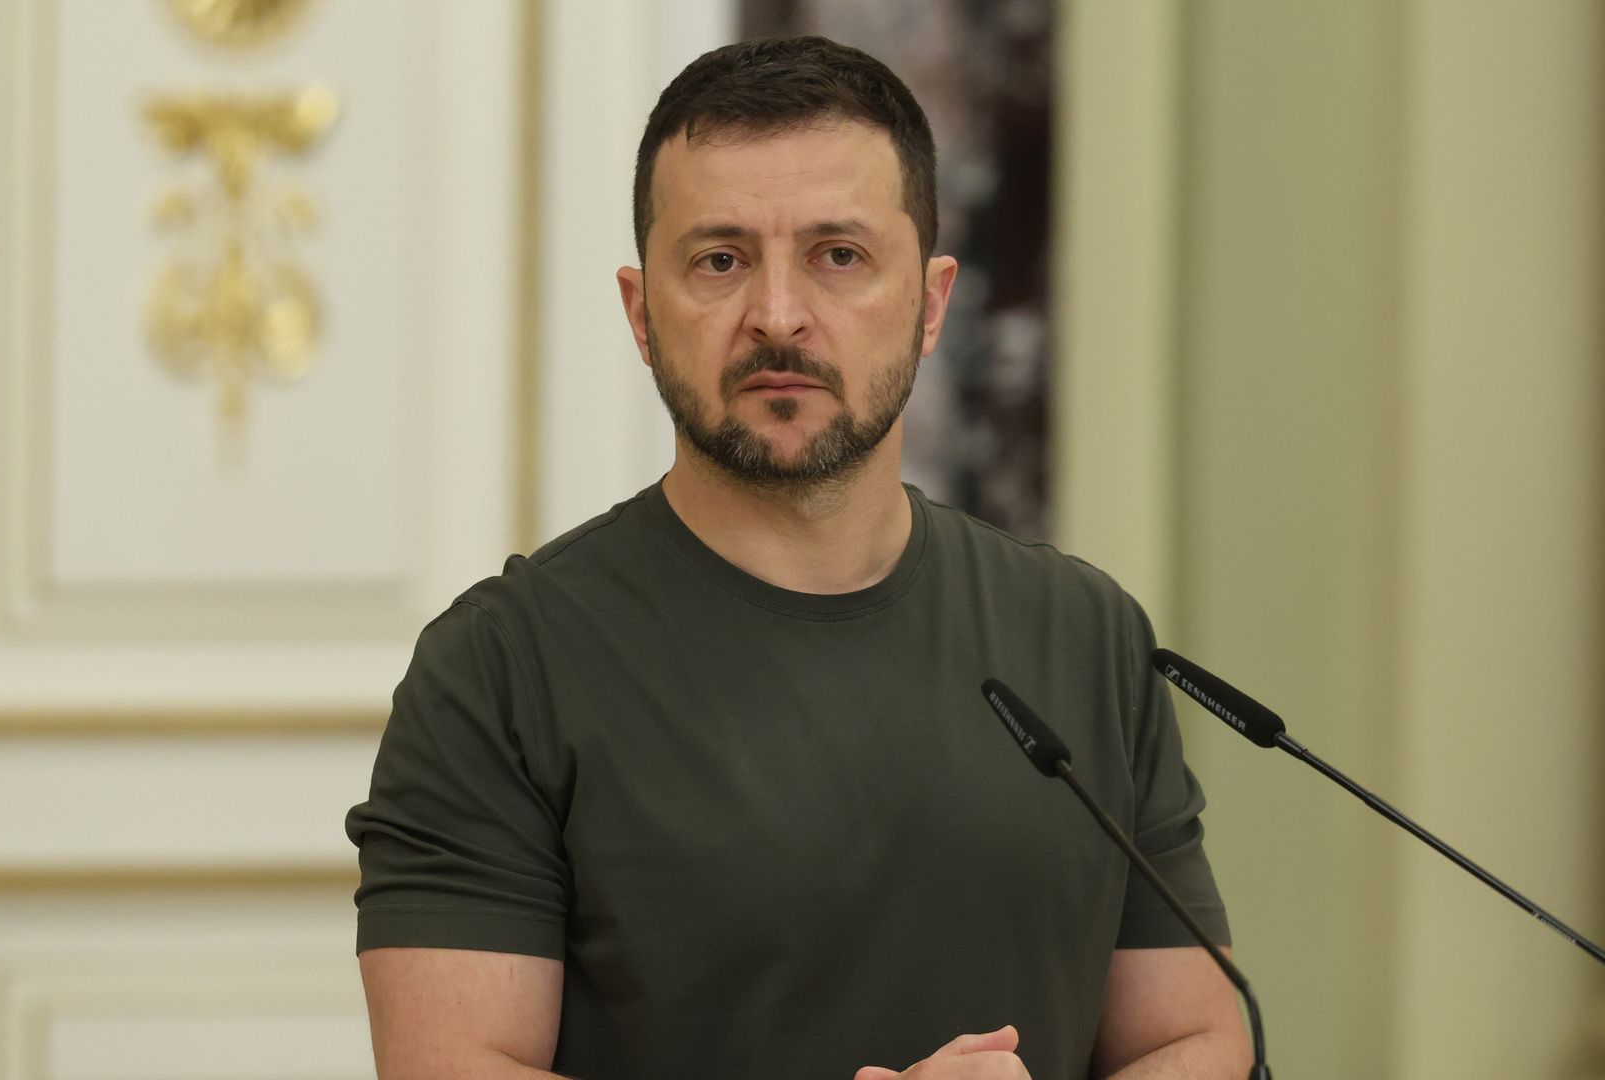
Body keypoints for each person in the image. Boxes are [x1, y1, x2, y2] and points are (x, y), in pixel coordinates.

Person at [345, 35, 1249, 1080]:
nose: (779, 316)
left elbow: (1195, 1037)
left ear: (932, 304)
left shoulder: (1082, 633)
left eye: (839, 256)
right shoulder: (500, 670)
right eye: (720, 260)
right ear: (642, 314)